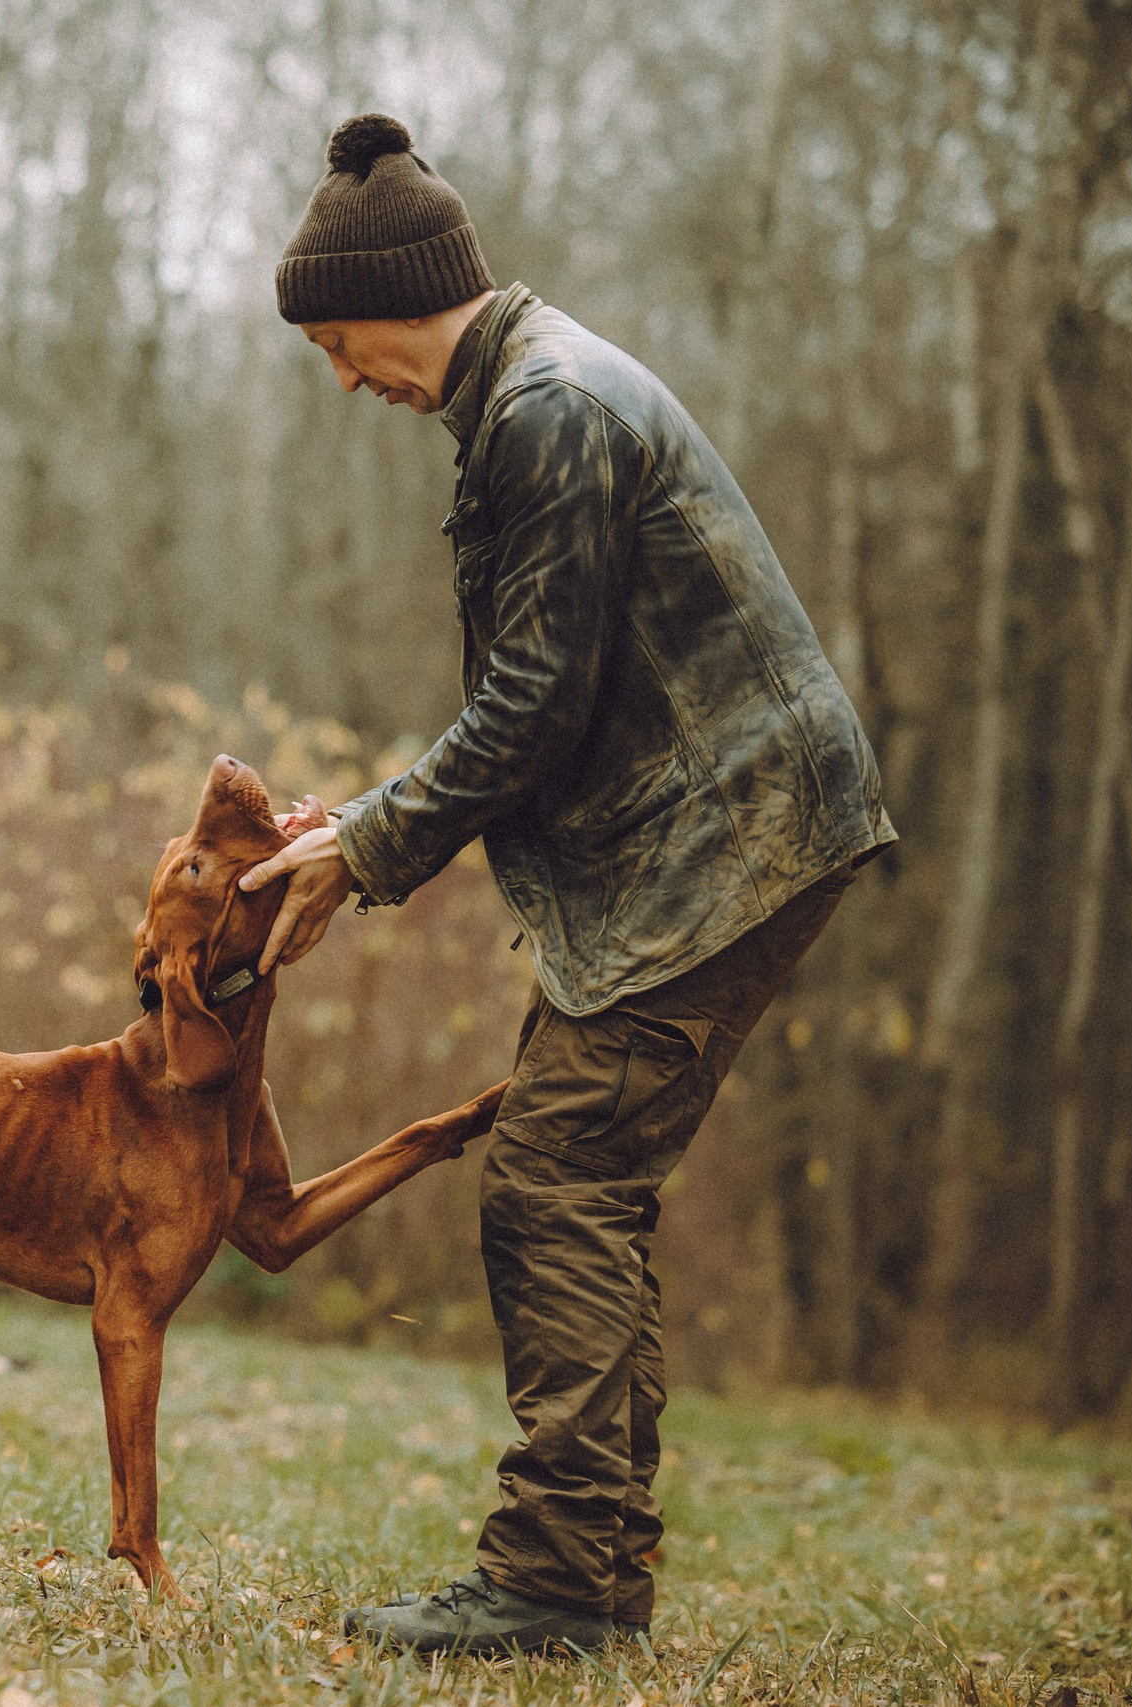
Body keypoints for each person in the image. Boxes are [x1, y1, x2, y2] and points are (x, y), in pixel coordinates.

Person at [234, 112, 897, 1657]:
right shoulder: (540, 390)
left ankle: (559, 1589)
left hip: (731, 840)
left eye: (339, 344)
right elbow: (560, 695)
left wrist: (374, 843)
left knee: (560, 1179)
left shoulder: (547, 411)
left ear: (400, 301)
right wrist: (375, 822)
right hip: (717, 835)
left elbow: (533, 707)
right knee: (564, 1172)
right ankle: (579, 1571)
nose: (344, 380)